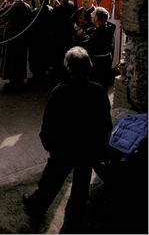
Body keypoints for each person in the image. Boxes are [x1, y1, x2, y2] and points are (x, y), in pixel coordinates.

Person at [22, 46, 112, 232]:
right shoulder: (98, 90)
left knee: (50, 182)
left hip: (63, 149)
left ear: (68, 68)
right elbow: (105, 123)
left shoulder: (60, 92)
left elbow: (49, 124)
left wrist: (49, 145)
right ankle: (73, 220)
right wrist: (99, 145)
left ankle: (36, 206)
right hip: (88, 148)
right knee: (81, 186)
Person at [0, 0, 32, 91]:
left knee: (12, 58)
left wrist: (5, 1)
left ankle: (13, 81)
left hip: (12, 37)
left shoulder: (11, 6)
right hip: (22, 37)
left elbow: (0, 13)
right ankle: (20, 79)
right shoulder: (27, 6)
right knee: (21, 58)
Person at [82, 7, 116, 90]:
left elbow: (86, 44)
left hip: (98, 62)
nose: (91, 16)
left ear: (97, 18)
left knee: (97, 85)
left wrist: (82, 35)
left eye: (93, 15)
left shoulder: (97, 34)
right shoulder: (110, 27)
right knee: (103, 84)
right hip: (107, 59)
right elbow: (111, 25)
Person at [28, 0, 53, 85]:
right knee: (46, 56)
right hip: (47, 39)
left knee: (37, 58)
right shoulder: (52, 11)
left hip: (37, 40)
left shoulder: (34, 13)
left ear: (39, 1)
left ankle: (37, 76)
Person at [51, 0, 75, 82]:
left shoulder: (60, 8)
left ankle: (60, 74)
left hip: (60, 35)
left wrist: (55, 7)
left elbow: (54, 20)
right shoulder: (72, 5)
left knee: (60, 55)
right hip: (69, 33)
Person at [99, 0, 125, 69]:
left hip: (119, 25)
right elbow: (99, 11)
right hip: (107, 22)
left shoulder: (124, 0)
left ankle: (117, 64)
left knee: (118, 44)